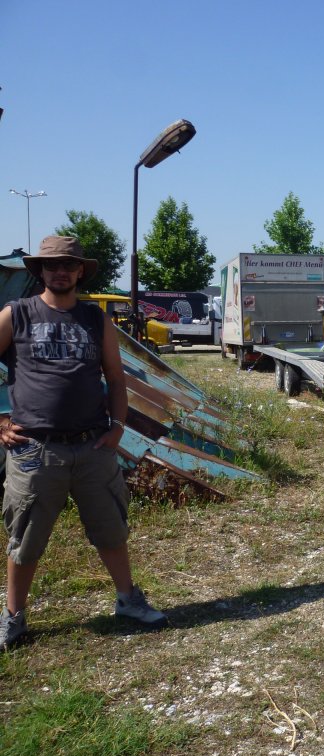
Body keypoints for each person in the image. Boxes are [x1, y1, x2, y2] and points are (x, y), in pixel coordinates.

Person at [0, 235, 167, 651]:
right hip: (35, 449)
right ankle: (13, 616)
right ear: (40, 270)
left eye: (68, 265)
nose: (60, 271)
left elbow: (116, 378)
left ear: (79, 271)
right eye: (52, 265)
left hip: (93, 446)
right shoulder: (16, 314)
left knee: (111, 528)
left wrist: (117, 427)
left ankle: (128, 600)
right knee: (25, 538)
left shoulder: (95, 319)